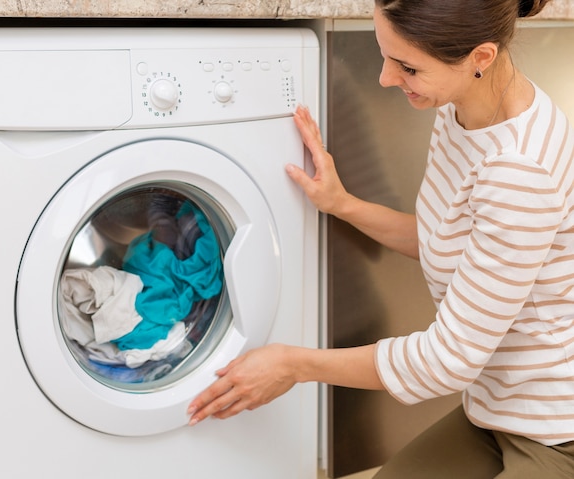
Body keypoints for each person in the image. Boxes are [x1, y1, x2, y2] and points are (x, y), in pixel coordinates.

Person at [187, 0, 574, 476]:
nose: (386, 79)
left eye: (408, 66)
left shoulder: (518, 171)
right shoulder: (465, 110)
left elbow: (446, 360)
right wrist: (342, 203)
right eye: (386, 55)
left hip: (556, 425)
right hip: (494, 406)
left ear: (481, 57)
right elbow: (446, 239)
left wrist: (294, 365)